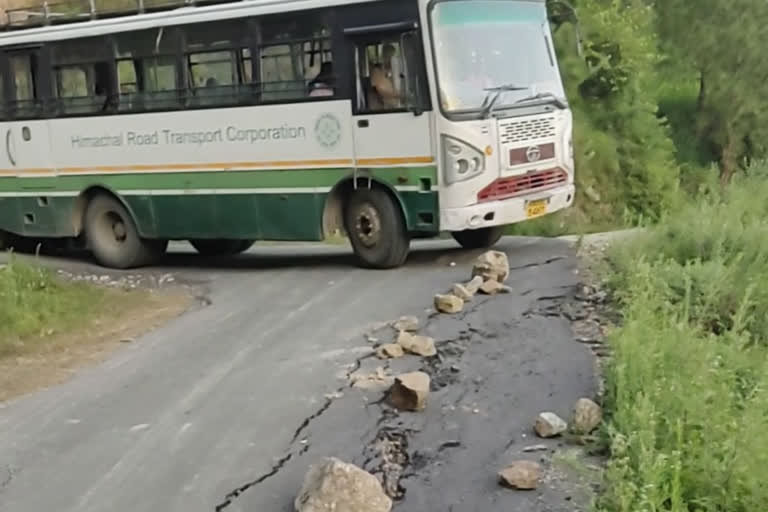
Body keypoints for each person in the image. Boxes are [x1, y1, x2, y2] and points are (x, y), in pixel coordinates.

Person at [369, 44, 403, 109]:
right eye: (388, 56)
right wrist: (400, 95)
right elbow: (381, 92)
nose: (391, 59)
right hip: (383, 109)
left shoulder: (396, 71)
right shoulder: (377, 71)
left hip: (396, 107)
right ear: (384, 56)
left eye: (392, 56)